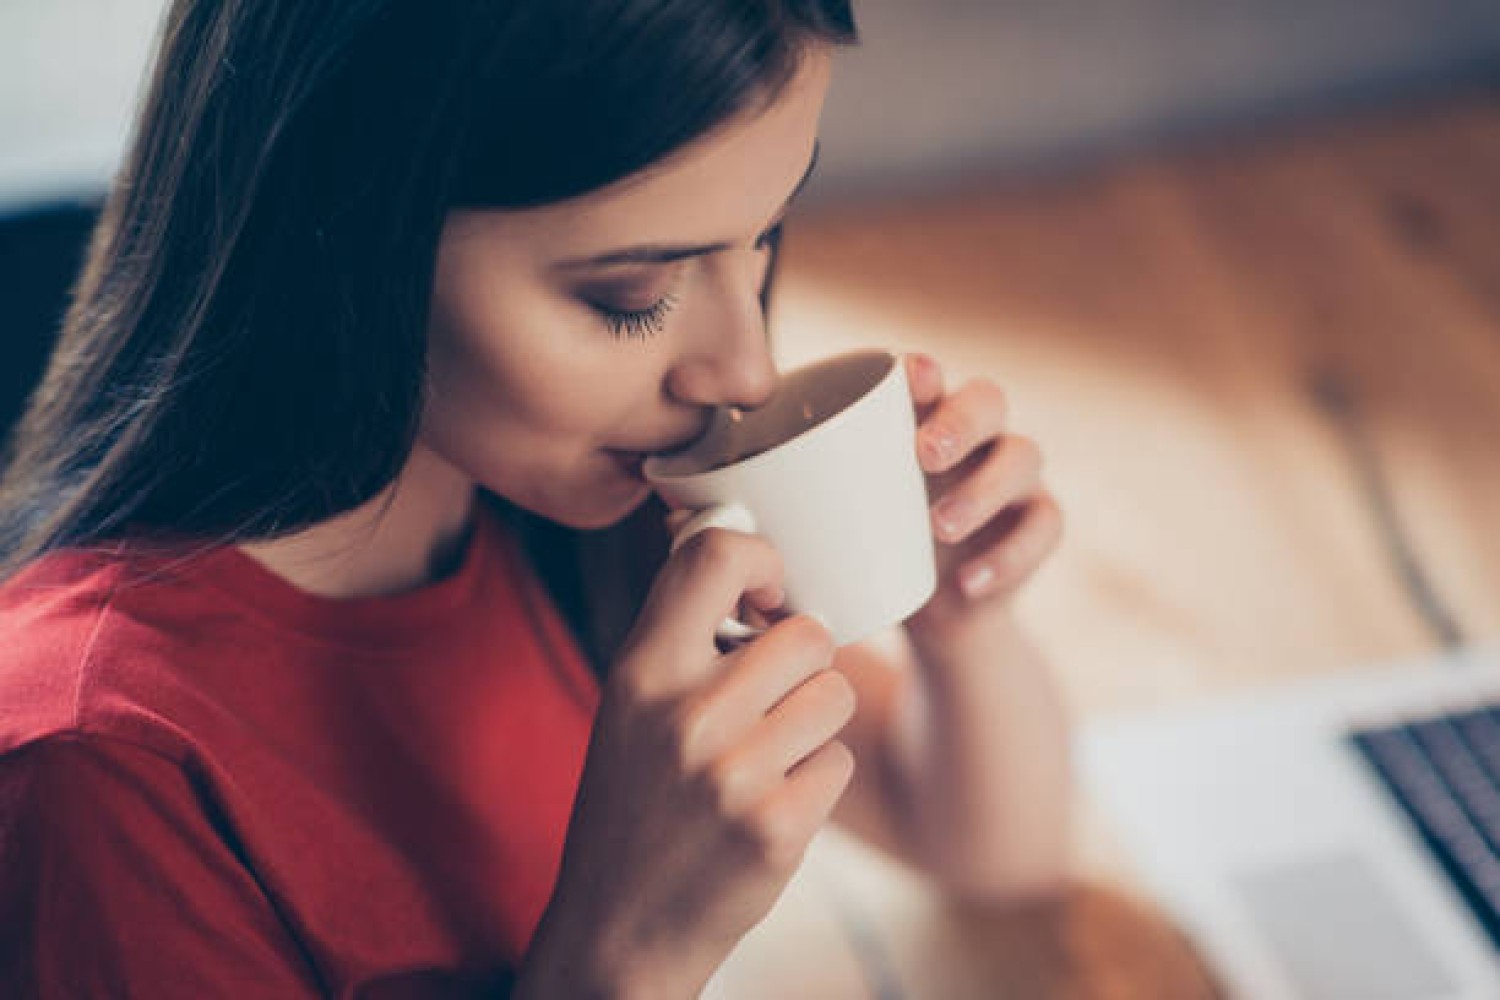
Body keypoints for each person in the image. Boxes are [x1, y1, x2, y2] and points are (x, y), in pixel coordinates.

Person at [0, 0, 1071, 996]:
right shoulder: (99, 776)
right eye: (634, 295)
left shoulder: (581, 512)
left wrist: (955, 610)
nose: (745, 371)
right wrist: (623, 950)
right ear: (343, 228)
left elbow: (987, 845)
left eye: (764, 239)